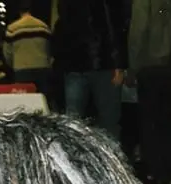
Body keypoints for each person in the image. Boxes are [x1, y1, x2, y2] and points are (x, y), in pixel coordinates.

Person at [52, 0, 128, 140]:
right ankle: (109, 157)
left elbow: (61, 28)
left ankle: (74, 158)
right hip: (100, 62)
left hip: (84, 64)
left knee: (74, 121)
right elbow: (114, 26)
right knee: (107, 121)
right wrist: (118, 63)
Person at [2, 0, 53, 101]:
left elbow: (7, 52)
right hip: (42, 68)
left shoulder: (12, 28)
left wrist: (13, 65)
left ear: (18, 11)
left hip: (22, 70)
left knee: (24, 101)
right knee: (42, 100)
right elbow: (49, 48)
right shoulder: (43, 26)